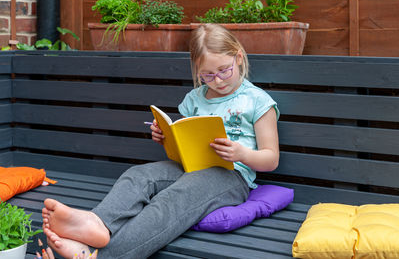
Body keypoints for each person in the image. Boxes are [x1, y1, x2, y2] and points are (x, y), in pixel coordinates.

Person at [41, 23, 280, 259]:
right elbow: (187, 145)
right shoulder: (195, 98)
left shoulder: (257, 101)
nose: (218, 80)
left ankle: (98, 256)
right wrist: (167, 138)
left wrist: (242, 154)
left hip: (230, 176)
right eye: (207, 75)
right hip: (190, 167)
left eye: (224, 70)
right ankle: (98, 222)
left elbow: (271, 159)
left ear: (238, 58)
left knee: (172, 199)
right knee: (138, 176)